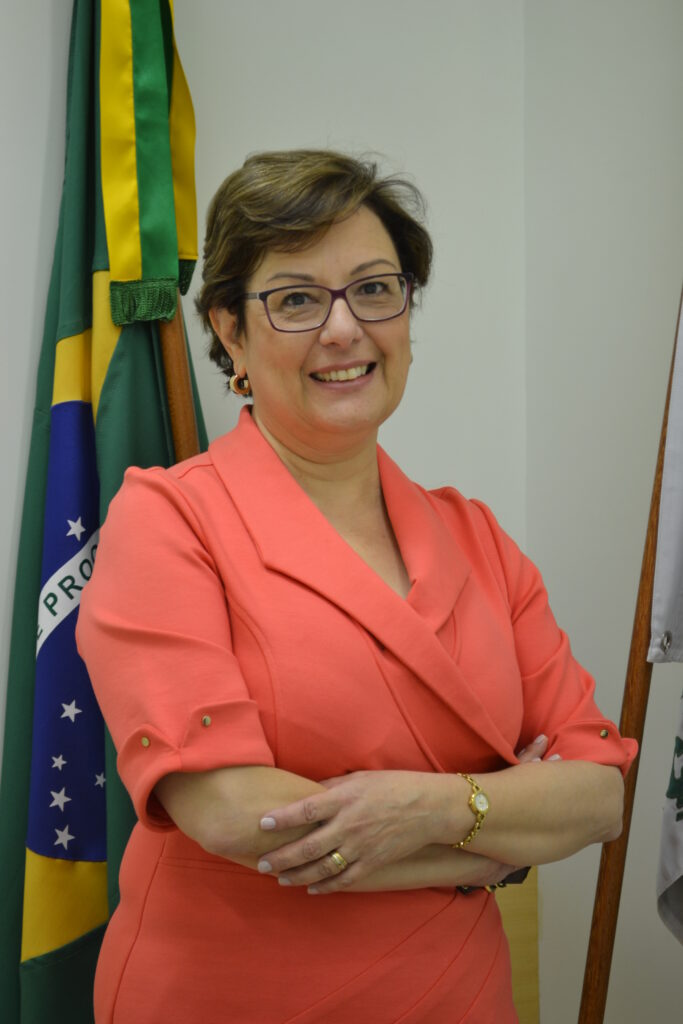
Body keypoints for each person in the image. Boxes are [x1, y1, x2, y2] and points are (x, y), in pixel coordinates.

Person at [76, 149, 637, 1024]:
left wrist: (432, 807)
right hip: (232, 995)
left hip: (459, 994)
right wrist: (490, 847)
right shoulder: (168, 520)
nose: (344, 329)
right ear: (230, 330)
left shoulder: (475, 537)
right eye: (297, 300)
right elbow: (229, 810)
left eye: (375, 289)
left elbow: (598, 792)